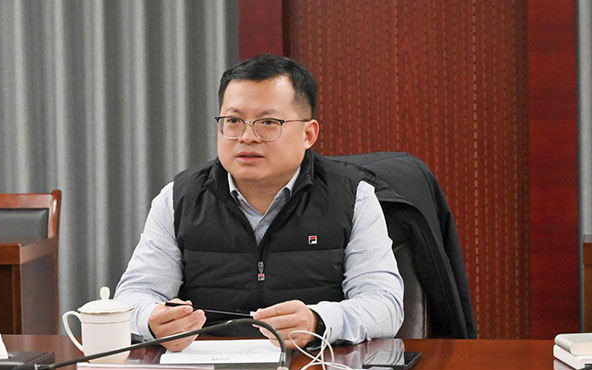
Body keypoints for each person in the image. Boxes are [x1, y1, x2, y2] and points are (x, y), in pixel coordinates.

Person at [114, 54, 403, 351]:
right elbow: (133, 296)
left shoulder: (353, 197)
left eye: (268, 122)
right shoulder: (178, 199)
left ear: (308, 134)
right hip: (207, 367)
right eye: (233, 121)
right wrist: (152, 320)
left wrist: (318, 321)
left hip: (312, 365)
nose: (247, 137)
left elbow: (385, 305)